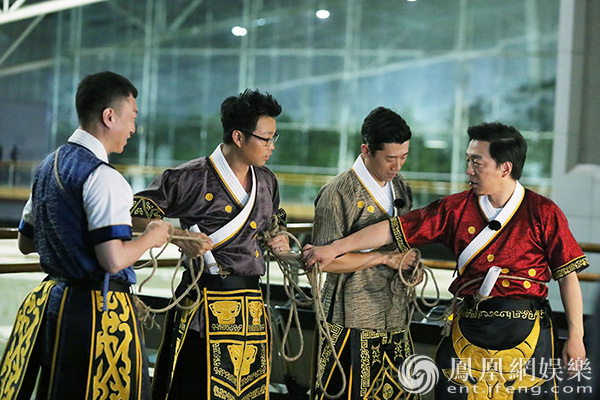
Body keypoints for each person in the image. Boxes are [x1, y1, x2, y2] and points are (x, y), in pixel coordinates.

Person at [304, 122, 588, 400]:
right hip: (470, 328)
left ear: (505, 168)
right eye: (468, 161)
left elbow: (567, 276)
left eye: (477, 163)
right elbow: (392, 229)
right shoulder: (455, 209)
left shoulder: (543, 212)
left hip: (527, 330)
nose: (468, 171)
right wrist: (335, 248)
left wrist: (575, 337)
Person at [0, 71, 172, 399]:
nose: (133, 129)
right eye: (132, 117)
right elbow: (113, 260)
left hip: (57, 304)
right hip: (99, 315)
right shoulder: (105, 178)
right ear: (109, 116)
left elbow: (26, 244)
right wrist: (153, 235)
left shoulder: (47, 168)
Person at [131, 89, 289, 400]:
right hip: (202, 306)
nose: (271, 146)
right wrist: (178, 236)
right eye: (265, 139)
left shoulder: (267, 180)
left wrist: (278, 236)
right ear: (239, 137)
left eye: (274, 138)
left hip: (251, 307)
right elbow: (137, 213)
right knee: (192, 388)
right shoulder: (191, 177)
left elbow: (275, 220)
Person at [311, 107, 419, 399]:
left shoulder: (402, 188)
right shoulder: (337, 193)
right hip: (351, 314)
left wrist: (409, 264)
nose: (397, 166)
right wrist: (383, 258)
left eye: (403, 157)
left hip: (394, 311)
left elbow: (404, 244)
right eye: (390, 159)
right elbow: (324, 263)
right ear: (366, 150)